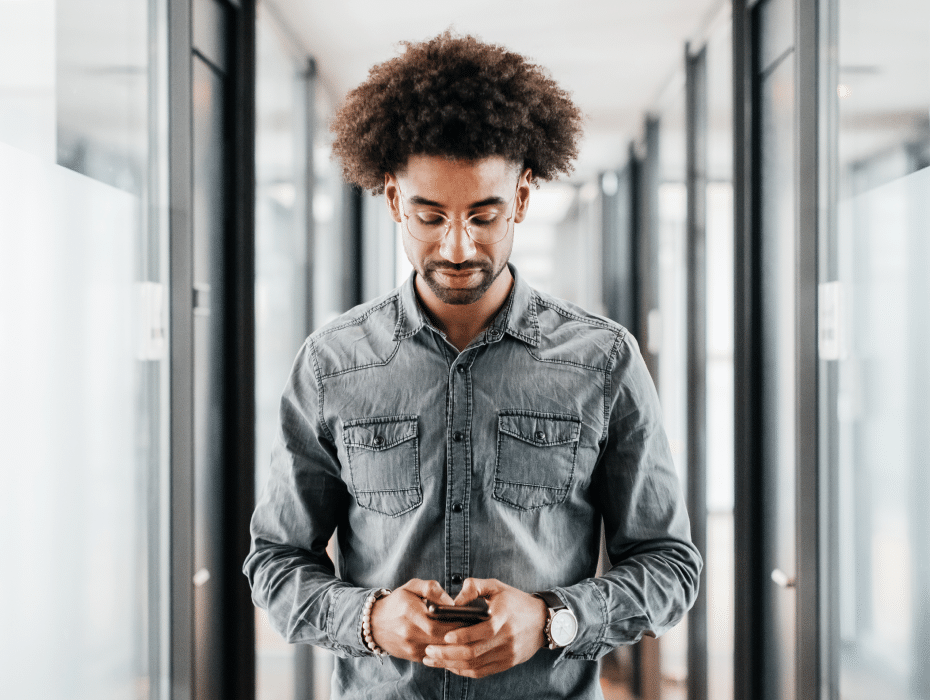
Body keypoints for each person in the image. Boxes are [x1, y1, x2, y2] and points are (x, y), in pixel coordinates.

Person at [244, 32, 701, 700]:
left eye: (484, 215)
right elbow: (276, 563)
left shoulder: (604, 360)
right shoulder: (330, 364)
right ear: (395, 200)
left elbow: (670, 566)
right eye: (429, 216)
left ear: (519, 197)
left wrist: (555, 619)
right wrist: (369, 619)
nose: (457, 245)